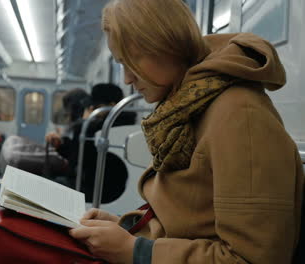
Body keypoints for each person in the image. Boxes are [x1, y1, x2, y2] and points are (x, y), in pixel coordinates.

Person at [68, 1, 304, 263]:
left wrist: (136, 251)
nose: (126, 79)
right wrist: (126, 227)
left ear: (163, 44)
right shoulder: (189, 106)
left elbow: (251, 258)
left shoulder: (241, 117)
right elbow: (190, 217)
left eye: (130, 62)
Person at [46, 84, 136, 202]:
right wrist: (61, 145)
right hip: (93, 183)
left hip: (103, 191)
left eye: (97, 106)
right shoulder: (101, 126)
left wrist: (84, 124)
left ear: (112, 105)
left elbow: (80, 160)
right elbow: (79, 155)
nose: (92, 109)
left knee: (50, 186)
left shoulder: (110, 128)